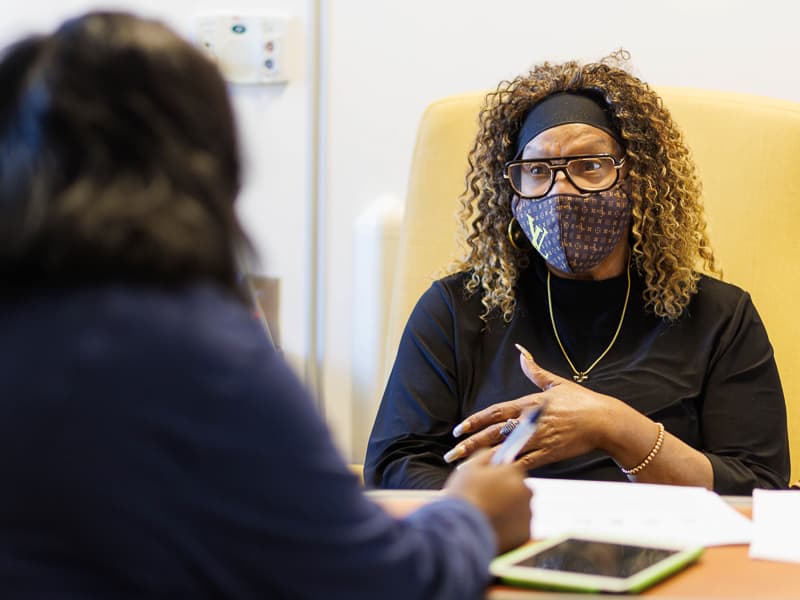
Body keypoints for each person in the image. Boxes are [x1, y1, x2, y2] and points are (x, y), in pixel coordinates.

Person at [0, 12, 532, 598]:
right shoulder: (195, 353)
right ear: (210, 161)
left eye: (591, 166)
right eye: (538, 171)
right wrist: (470, 517)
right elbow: (368, 580)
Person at [365, 52, 791, 494]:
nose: (561, 191)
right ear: (512, 195)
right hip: (499, 547)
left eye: (589, 166)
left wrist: (615, 427)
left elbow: (760, 487)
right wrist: (490, 516)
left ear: (636, 180)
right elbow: (394, 464)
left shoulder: (719, 316)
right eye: (536, 171)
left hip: (663, 550)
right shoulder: (457, 309)